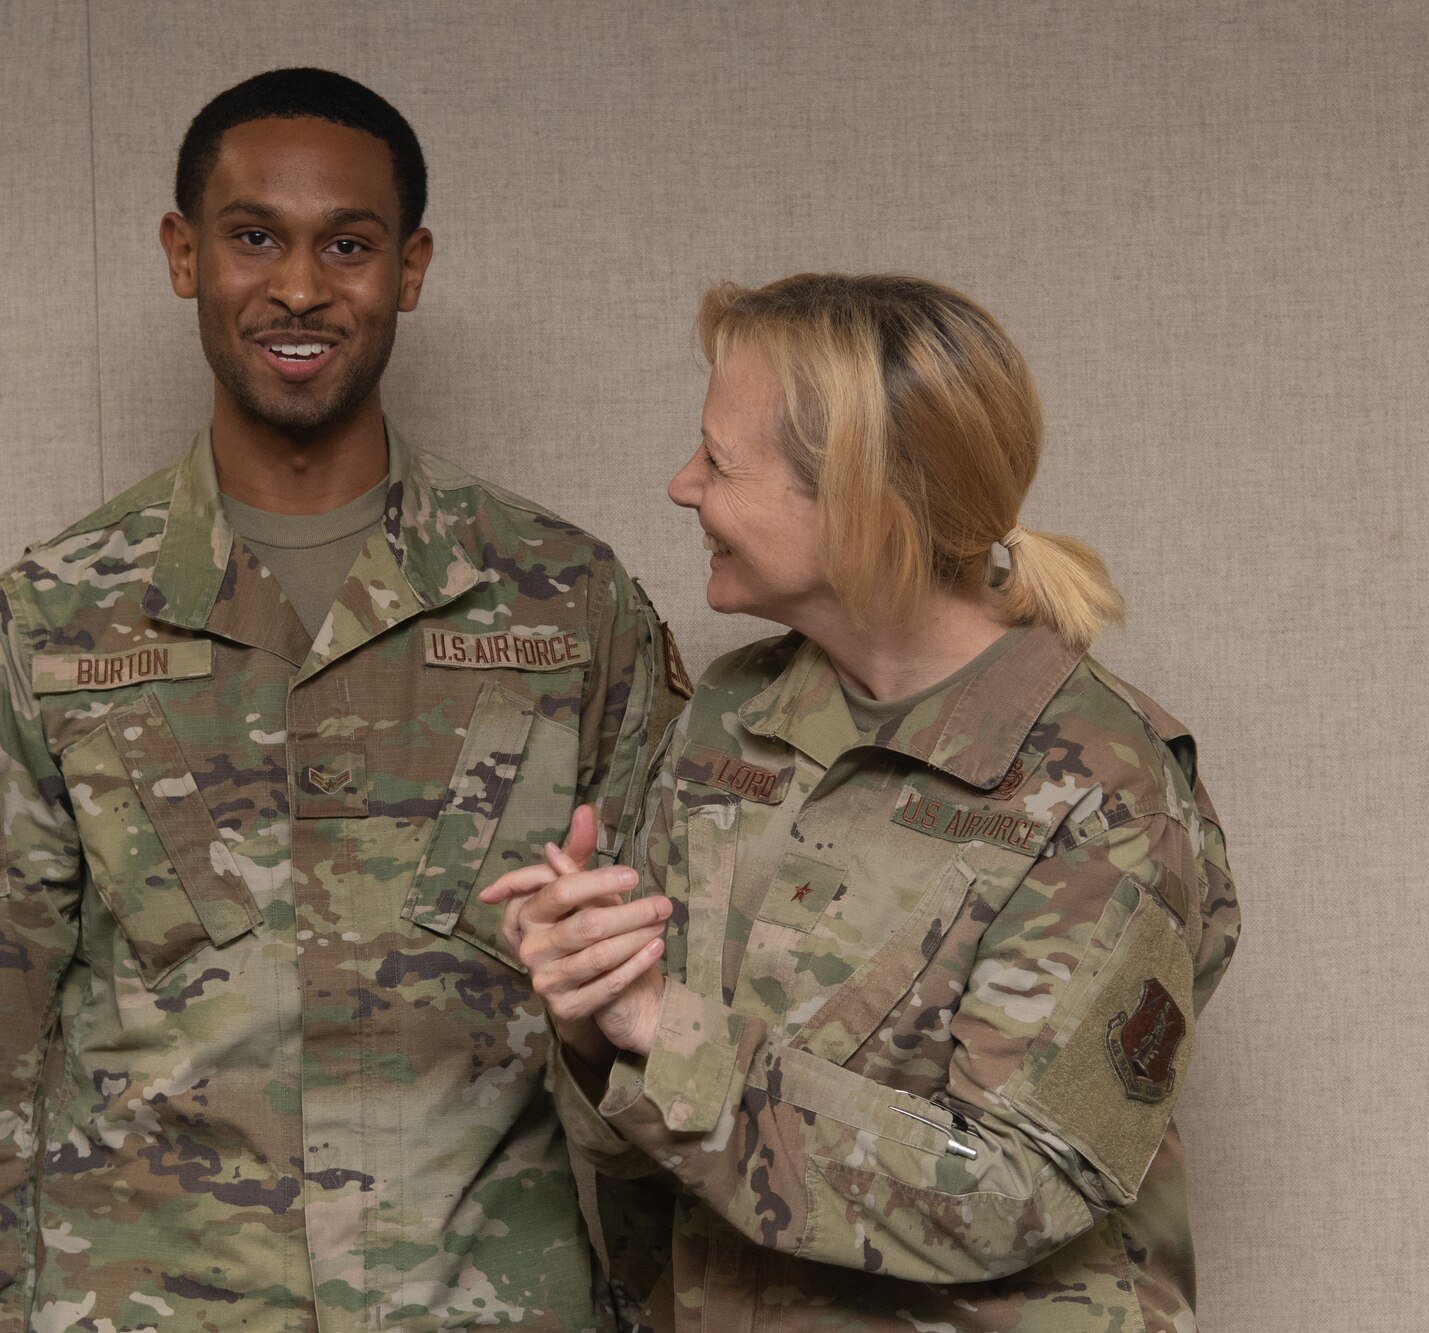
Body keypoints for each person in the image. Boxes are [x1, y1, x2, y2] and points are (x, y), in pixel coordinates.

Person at [0, 67, 684, 1332]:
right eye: (254, 238)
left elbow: (677, 1028)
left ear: (409, 268)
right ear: (184, 256)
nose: (298, 287)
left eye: (347, 244)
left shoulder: (568, 609)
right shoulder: (48, 623)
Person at [483, 274, 1241, 1331]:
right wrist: (593, 1012)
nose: (678, 484)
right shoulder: (732, 717)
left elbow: (1016, 1187)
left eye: (717, 460)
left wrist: (664, 1030)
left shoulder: (1099, 787)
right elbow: (646, 1146)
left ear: (854, 498)